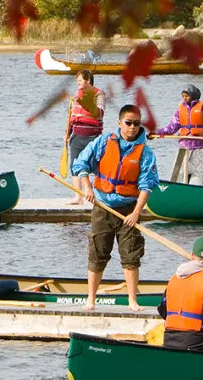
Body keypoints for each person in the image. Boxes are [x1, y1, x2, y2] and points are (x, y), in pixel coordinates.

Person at [72, 104, 160, 311]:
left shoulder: (145, 153)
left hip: (129, 208)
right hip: (103, 206)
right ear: (120, 123)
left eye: (136, 124)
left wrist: (136, 212)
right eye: (128, 123)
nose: (132, 127)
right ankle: (91, 299)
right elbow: (80, 164)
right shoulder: (103, 142)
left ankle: (132, 300)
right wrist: (87, 188)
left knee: (131, 254)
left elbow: (148, 184)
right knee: (97, 251)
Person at [154, 84, 203, 187]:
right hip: (183, 148)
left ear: (193, 95)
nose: (184, 98)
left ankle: (202, 188)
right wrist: (158, 133)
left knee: (201, 177)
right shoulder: (180, 109)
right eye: (183, 96)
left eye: (187, 95)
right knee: (179, 175)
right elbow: (172, 127)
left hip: (199, 147)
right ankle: (176, 189)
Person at [63, 70, 104, 205]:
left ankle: (101, 194)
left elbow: (99, 112)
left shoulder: (99, 94)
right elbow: (71, 116)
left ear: (87, 80)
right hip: (76, 136)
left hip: (93, 137)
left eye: (80, 80)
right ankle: (78, 197)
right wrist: (67, 134)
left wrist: (83, 102)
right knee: (75, 166)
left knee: (98, 166)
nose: (78, 83)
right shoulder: (76, 95)